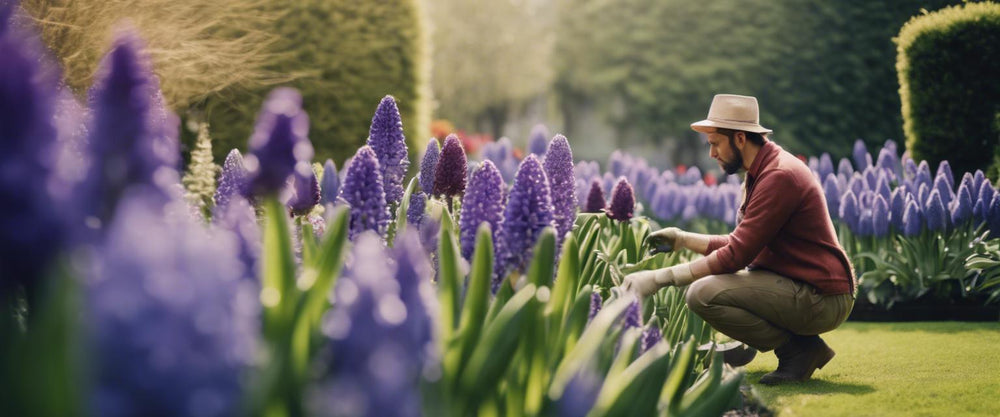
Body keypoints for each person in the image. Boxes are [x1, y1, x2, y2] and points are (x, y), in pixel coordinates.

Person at [622, 94, 855, 385]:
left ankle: (798, 351)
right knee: (707, 288)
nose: (712, 154)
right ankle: (803, 349)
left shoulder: (778, 176)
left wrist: (660, 278)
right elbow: (742, 242)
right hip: (801, 284)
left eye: (715, 143)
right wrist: (682, 239)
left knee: (702, 293)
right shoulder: (761, 171)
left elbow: (737, 255)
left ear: (740, 138)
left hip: (821, 296)